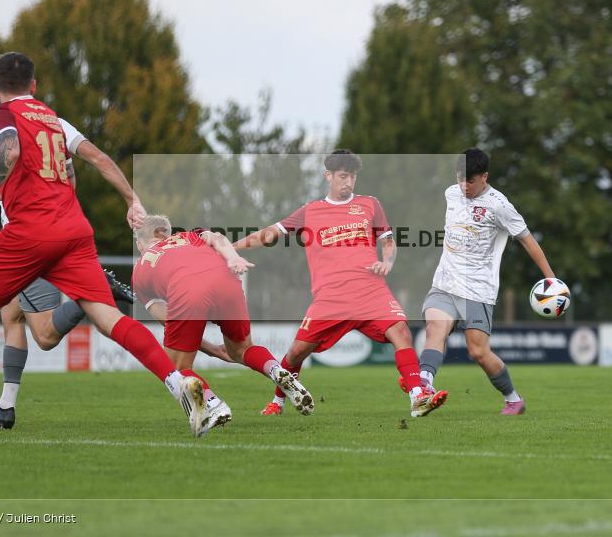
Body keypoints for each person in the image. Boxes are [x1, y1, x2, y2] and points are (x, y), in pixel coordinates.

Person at [0, 52, 207, 438]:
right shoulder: (52, 119)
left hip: (28, 234)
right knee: (107, 319)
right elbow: (93, 161)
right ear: (33, 85)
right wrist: (133, 201)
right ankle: (178, 383)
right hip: (73, 230)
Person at [234, 149, 448, 418]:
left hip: (370, 290)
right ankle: (278, 401)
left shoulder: (370, 204)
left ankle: (417, 396)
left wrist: (387, 261)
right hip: (331, 297)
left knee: (401, 331)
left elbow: (388, 242)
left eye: (353, 176)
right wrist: (231, 248)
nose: (349, 182)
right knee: (297, 353)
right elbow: (269, 234)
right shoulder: (311, 211)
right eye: (343, 176)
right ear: (329, 176)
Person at [133, 215, 314, 435]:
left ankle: (213, 404)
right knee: (242, 349)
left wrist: (210, 349)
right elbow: (217, 238)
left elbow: (166, 319)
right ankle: (276, 371)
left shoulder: (140, 269)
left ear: (139, 243)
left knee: (177, 368)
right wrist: (233, 258)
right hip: (226, 279)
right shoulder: (189, 235)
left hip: (187, 289)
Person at [412, 148, 556, 415]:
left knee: (478, 352)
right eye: (460, 179)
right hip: (445, 282)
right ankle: (424, 388)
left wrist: (550, 277)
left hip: (477, 290)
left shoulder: (499, 205)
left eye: (470, 180)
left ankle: (513, 399)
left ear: (484, 177)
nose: (464, 186)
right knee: (435, 328)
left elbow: (527, 239)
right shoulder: (451, 193)